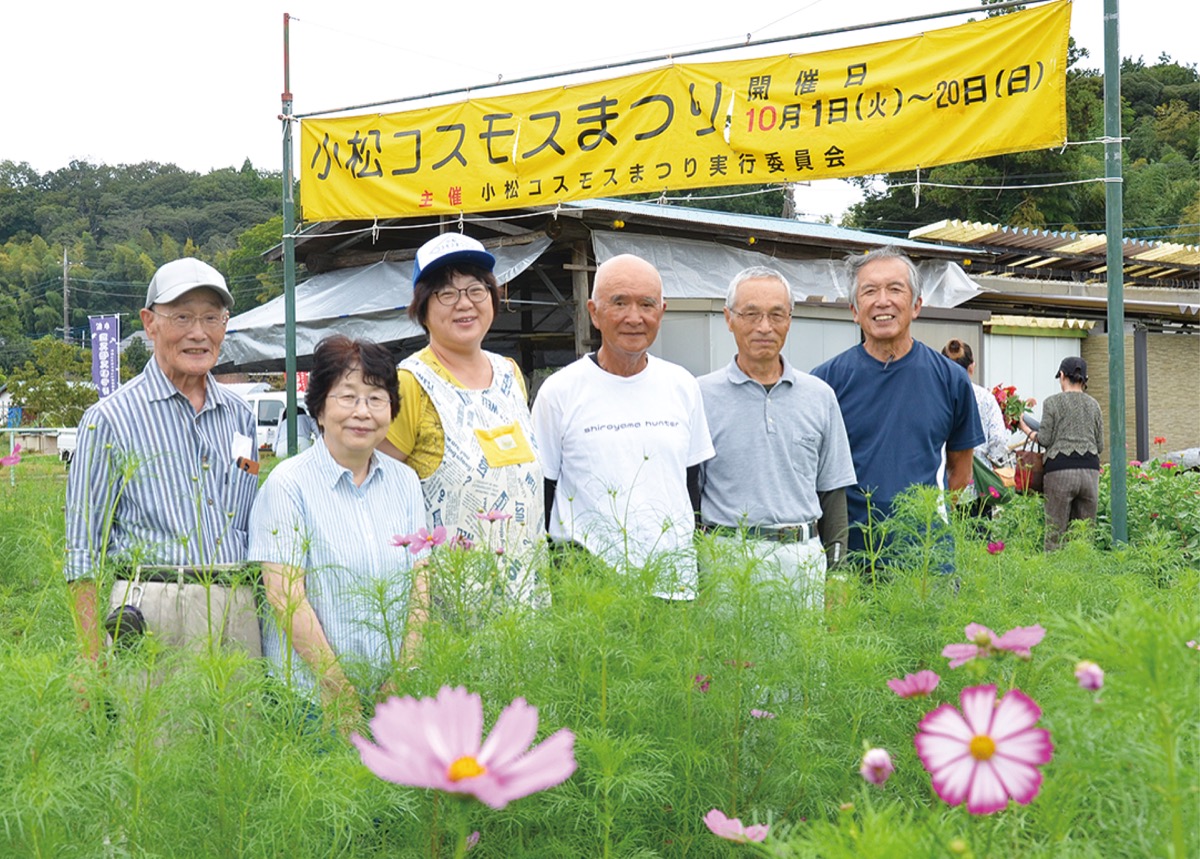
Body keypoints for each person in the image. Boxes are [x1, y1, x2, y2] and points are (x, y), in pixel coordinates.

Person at [64, 258, 261, 660]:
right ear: (150, 323)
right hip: (151, 608)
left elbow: (247, 511)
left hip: (235, 605)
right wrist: (90, 656)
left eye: (212, 317)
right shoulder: (109, 419)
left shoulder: (241, 417)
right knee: (152, 723)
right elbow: (81, 548)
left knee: (240, 723)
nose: (198, 333)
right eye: (183, 317)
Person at [249, 335, 427, 733]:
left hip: (392, 700)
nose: (362, 411)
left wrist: (403, 676)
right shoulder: (288, 485)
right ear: (319, 410)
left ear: (392, 410)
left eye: (376, 398)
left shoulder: (405, 482)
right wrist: (338, 688)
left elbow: (421, 586)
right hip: (312, 701)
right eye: (347, 397)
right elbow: (285, 597)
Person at [531, 253, 714, 599]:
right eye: (619, 303)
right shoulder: (559, 392)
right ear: (594, 312)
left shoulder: (682, 385)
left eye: (646, 304)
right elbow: (544, 490)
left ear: (662, 310)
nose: (635, 317)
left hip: (672, 583)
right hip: (587, 587)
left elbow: (692, 488)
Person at [378, 233, 544, 603]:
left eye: (475, 290)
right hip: (450, 604)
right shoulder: (410, 383)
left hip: (528, 601)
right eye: (446, 294)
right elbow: (382, 493)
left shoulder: (510, 374)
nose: (464, 304)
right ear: (422, 308)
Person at [697, 267, 857, 607]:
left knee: (804, 660)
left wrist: (838, 571)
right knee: (731, 660)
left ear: (790, 320)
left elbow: (832, 493)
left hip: (801, 560)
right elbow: (690, 494)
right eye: (750, 314)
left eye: (776, 315)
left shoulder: (820, 396)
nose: (764, 327)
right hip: (726, 562)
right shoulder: (699, 395)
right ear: (729, 318)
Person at [811, 246, 983, 562]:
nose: (882, 300)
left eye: (895, 289)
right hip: (849, 557)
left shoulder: (950, 379)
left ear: (916, 305)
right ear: (854, 309)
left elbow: (961, 470)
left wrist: (929, 521)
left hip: (926, 559)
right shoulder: (824, 383)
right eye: (870, 291)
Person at [1019, 356, 1103, 551]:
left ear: (1063, 376)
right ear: (1084, 379)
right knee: (1084, 537)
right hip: (1090, 473)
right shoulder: (1094, 405)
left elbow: (1045, 439)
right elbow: (1100, 445)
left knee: (1055, 535)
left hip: (1060, 472)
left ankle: (1055, 577)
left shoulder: (1052, 402)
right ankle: (1083, 578)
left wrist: (1026, 429)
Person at [941, 339, 1011, 467]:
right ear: (972, 367)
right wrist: (995, 462)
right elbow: (998, 438)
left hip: (941, 474)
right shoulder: (986, 398)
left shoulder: (937, 397)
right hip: (978, 472)